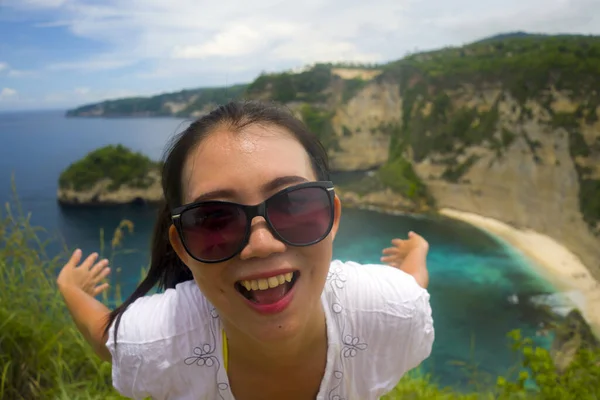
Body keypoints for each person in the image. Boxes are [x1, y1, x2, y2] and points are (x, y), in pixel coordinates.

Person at [57, 100, 434, 400]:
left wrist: (415, 251)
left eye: (294, 204)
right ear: (182, 246)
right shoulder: (162, 338)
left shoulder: (389, 308)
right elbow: (105, 336)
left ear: (332, 217)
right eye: (214, 219)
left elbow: (413, 284)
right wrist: (72, 289)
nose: (262, 244)